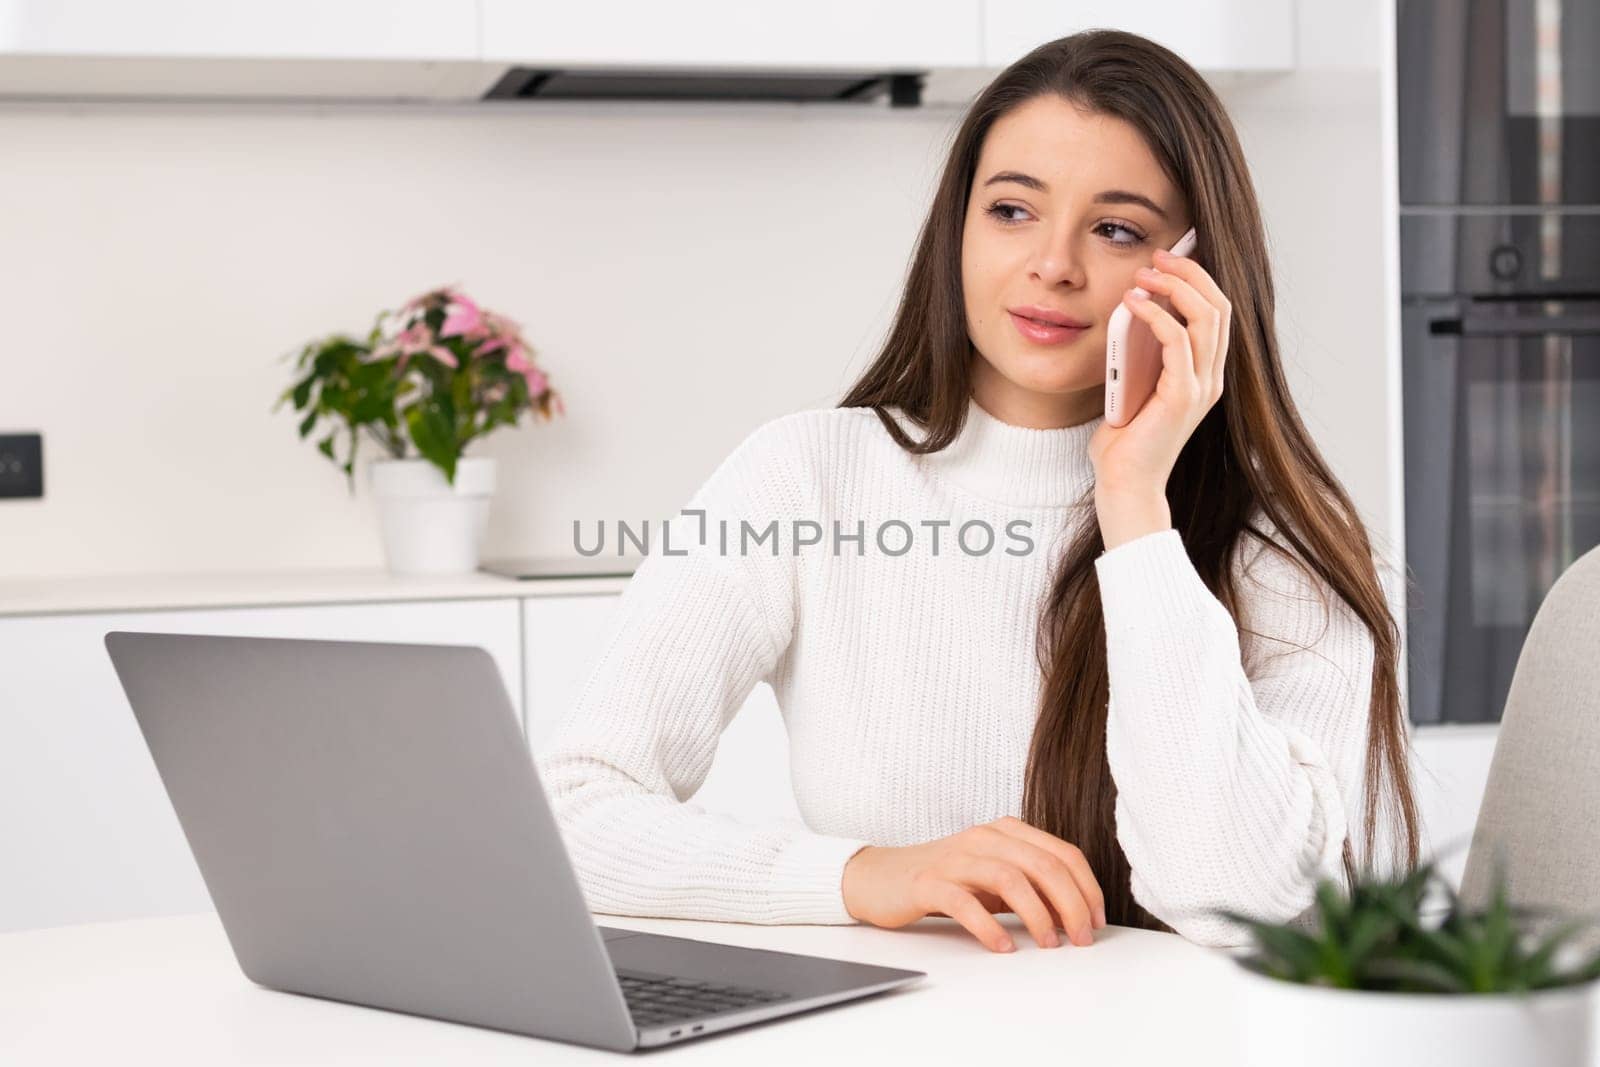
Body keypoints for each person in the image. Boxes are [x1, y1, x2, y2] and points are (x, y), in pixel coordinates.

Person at [535, 29, 1420, 952]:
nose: (1054, 264)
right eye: (1011, 210)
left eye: (1116, 229)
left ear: (1194, 271)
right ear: (956, 225)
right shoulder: (805, 477)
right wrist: (862, 873)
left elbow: (1234, 897)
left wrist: (1134, 508)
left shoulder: (1279, 543)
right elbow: (575, 812)